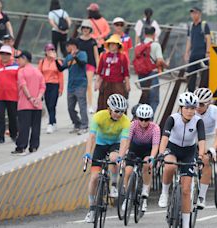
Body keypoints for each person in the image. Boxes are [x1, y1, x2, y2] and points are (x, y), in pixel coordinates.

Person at [158, 92, 206, 228]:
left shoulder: (198, 121)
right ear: (181, 108)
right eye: (187, 108)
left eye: (193, 108)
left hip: (188, 152)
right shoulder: (172, 119)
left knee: (186, 190)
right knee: (170, 166)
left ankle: (186, 224)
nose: (190, 111)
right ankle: (164, 193)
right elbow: (165, 138)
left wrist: (201, 157)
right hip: (172, 149)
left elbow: (202, 141)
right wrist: (161, 153)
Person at [83, 94, 130, 223]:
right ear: (109, 109)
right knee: (94, 178)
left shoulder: (125, 120)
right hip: (100, 145)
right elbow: (91, 137)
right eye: (116, 111)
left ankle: (114, 184)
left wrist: (121, 156)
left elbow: (125, 141)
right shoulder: (99, 116)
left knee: (114, 158)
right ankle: (92, 209)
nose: (119, 114)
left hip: (115, 144)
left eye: (122, 111)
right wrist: (87, 153)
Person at [122, 104, 160, 212]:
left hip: (148, 150)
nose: (143, 122)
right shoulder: (132, 125)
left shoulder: (155, 128)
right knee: (128, 172)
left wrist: (152, 157)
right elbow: (127, 142)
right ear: (137, 118)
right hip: (134, 149)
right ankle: (127, 198)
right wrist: (124, 153)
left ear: (150, 119)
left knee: (147, 164)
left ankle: (145, 191)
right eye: (141, 119)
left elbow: (155, 145)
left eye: (146, 119)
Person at [193, 88, 217, 209]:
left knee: (205, 161)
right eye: (196, 103)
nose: (197, 107)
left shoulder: (216, 111)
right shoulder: (191, 109)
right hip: (193, 134)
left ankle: (202, 196)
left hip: (209, 136)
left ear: (209, 103)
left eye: (201, 104)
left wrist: (213, 148)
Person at [12, 51, 46, 155]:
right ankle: (34, 147)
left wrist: (30, 98)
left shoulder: (21, 71)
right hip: (37, 104)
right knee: (36, 126)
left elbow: (23, 85)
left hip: (25, 104)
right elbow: (43, 86)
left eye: (19, 59)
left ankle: (21, 147)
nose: (18, 61)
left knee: (24, 126)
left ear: (25, 58)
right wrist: (38, 98)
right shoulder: (38, 71)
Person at [55, 38, 88, 135]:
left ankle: (84, 125)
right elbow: (61, 68)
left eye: (67, 45)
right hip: (71, 86)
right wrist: (56, 60)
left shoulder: (82, 54)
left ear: (73, 45)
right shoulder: (68, 57)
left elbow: (83, 64)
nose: (66, 47)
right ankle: (77, 124)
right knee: (70, 107)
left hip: (81, 84)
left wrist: (76, 57)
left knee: (82, 106)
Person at [0, 45, 19, 145]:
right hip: (0, 96)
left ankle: (14, 135)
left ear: (10, 55)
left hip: (13, 95)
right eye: (2, 54)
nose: (4, 56)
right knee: (0, 117)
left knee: (13, 116)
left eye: (7, 54)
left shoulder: (16, 66)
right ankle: (0, 137)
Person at [135, 26, 168, 113]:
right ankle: (150, 120)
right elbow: (159, 60)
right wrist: (166, 65)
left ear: (145, 34)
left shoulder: (139, 45)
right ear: (154, 34)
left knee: (145, 96)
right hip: (152, 74)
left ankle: (143, 118)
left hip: (141, 75)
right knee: (154, 100)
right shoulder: (156, 45)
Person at [95, 35, 130, 111]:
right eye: (110, 43)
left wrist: (127, 84)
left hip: (118, 84)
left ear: (118, 45)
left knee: (118, 104)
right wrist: (97, 83)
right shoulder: (104, 56)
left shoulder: (122, 57)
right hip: (106, 83)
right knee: (104, 104)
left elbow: (126, 72)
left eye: (114, 44)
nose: (112, 45)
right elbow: (99, 71)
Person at [38, 43, 64, 134]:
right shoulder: (42, 62)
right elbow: (39, 75)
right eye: (49, 50)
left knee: (52, 104)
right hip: (45, 85)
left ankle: (50, 123)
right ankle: (54, 121)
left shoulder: (57, 62)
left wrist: (61, 88)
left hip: (55, 84)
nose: (51, 52)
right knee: (48, 104)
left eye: (52, 50)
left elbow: (61, 75)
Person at [184, 6, 211, 92]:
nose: (193, 15)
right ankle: (191, 93)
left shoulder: (204, 25)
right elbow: (189, 40)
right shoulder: (191, 26)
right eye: (192, 13)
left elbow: (208, 38)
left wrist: (208, 51)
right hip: (193, 54)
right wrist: (187, 52)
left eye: (195, 13)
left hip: (202, 54)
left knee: (204, 75)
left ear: (199, 14)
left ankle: (203, 93)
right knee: (191, 74)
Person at [78, 19, 100, 114]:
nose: (86, 29)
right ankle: (81, 105)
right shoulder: (77, 41)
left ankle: (90, 105)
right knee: (80, 85)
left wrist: (99, 68)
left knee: (88, 85)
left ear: (90, 29)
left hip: (90, 65)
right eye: (84, 28)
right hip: (80, 65)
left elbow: (96, 55)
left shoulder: (92, 41)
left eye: (87, 28)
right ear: (82, 29)